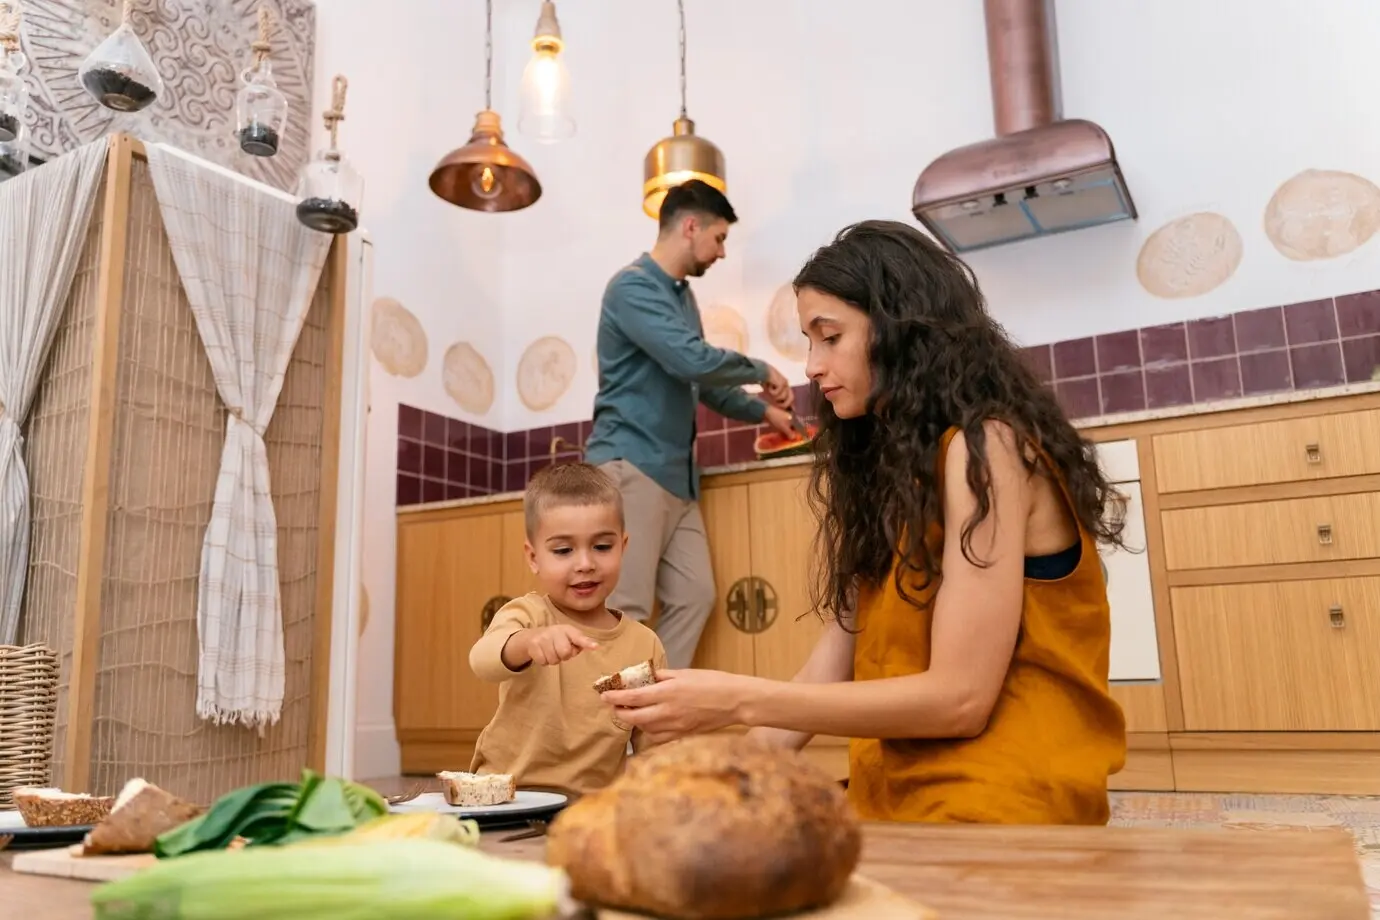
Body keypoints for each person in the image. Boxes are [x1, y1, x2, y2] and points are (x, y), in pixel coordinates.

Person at [600, 219, 1131, 825]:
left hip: (1005, 799)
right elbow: (829, 667)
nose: (811, 366)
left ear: (902, 329)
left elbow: (961, 700)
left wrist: (737, 700)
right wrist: (722, 781)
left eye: (830, 337)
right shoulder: (894, 473)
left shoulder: (986, 449)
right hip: (900, 792)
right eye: (810, 342)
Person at [583, 180, 798, 670]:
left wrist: (764, 413)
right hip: (631, 467)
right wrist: (760, 369)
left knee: (695, 596)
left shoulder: (682, 298)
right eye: (719, 239)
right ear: (691, 226)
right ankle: (618, 719)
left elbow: (699, 380)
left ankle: (654, 708)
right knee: (626, 610)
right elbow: (691, 359)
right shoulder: (632, 287)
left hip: (678, 480)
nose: (721, 252)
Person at [468, 462, 667, 795]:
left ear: (623, 546)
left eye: (602, 547)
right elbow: (482, 660)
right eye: (563, 551)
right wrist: (528, 642)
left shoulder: (645, 644)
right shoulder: (528, 615)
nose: (585, 564)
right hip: (508, 796)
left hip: (589, 806)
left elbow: (653, 742)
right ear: (534, 557)